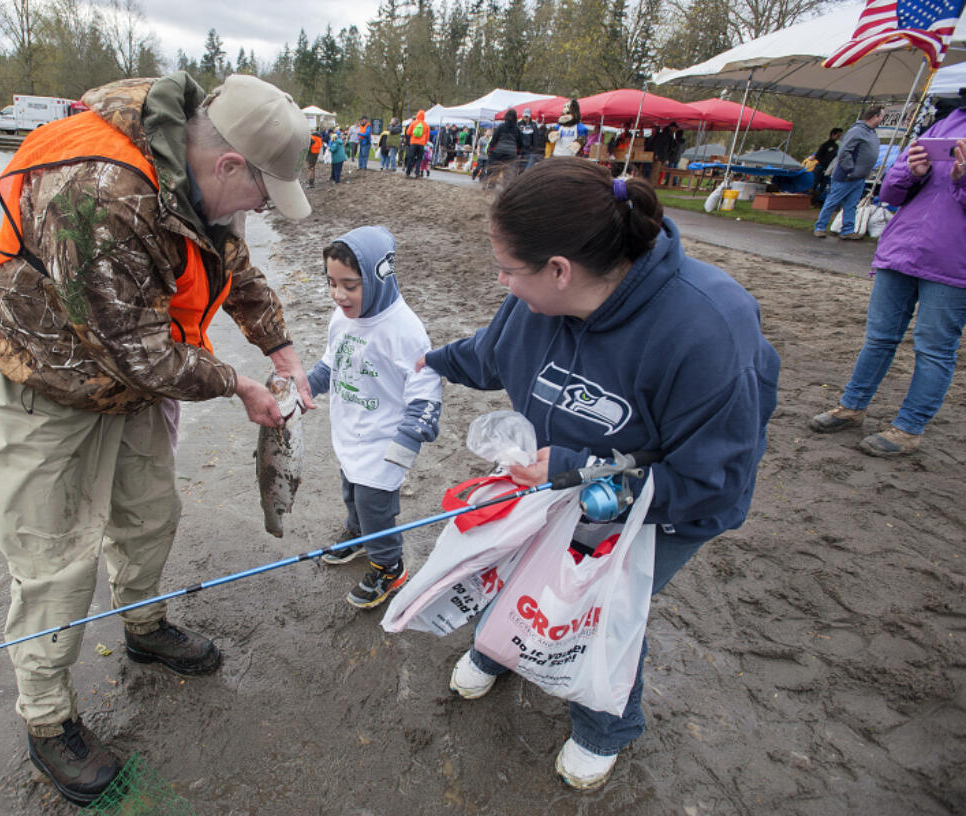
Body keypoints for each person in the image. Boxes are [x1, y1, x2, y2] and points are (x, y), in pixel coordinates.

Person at [0, 71, 316, 806]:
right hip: (46, 377)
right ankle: (48, 720)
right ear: (227, 165)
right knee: (53, 557)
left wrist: (280, 350)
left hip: (132, 375)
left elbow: (230, 263)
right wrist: (240, 385)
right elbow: (138, 349)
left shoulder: (199, 174)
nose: (259, 210)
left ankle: (145, 625)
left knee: (150, 512)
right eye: (260, 194)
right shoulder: (97, 192)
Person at [415, 158, 779, 791]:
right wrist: (424, 361)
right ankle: (502, 643)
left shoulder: (709, 329)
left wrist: (580, 475)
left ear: (561, 270)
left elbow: (708, 483)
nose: (501, 282)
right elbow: (493, 352)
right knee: (513, 559)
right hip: (556, 484)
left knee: (592, 604)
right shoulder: (533, 307)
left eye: (508, 268)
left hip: (660, 509)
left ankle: (603, 726)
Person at [808, 112, 966, 456]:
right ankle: (852, 407)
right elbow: (891, 193)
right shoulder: (950, 119)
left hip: (954, 262)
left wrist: (962, 179)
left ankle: (909, 428)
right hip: (903, 249)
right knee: (879, 337)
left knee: (935, 348)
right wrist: (911, 171)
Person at [306, 226, 443, 608]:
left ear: (378, 275)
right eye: (332, 283)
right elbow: (332, 361)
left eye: (350, 285)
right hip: (351, 433)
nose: (339, 295)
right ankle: (356, 535)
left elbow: (425, 392)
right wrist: (308, 386)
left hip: (386, 442)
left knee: (374, 505)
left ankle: (388, 564)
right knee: (350, 488)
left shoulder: (404, 330)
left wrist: (409, 439)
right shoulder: (341, 317)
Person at [814, 105, 884, 240]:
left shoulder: (871, 132)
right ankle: (820, 227)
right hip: (847, 176)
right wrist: (850, 169)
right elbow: (844, 151)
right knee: (832, 201)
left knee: (851, 204)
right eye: (881, 116)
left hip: (859, 176)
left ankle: (847, 230)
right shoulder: (857, 130)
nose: (882, 119)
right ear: (875, 117)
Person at [487, 109, 522, 185]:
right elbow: (519, 143)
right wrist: (518, 153)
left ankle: (491, 186)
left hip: (498, 151)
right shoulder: (517, 129)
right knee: (508, 173)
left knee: (495, 170)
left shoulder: (501, 127)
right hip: (511, 153)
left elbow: (494, 139)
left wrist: (489, 149)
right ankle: (505, 188)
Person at [810, 127, 844, 206]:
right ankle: (809, 200)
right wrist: (824, 162)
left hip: (828, 168)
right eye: (838, 136)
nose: (838, 138)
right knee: (814, 184)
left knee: (823, 185)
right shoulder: (825, 145)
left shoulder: (836, 146)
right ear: (833, 134)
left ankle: (815, 201)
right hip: (820, 166)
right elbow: (817, 156)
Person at [405, 109, 430, 178]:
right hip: (421, 144)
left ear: (417, 115)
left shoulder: (413, 123)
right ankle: (417, 172)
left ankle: (408, 172)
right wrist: (424, 143)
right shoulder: (426, 125)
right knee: (419, 159)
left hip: (413, 143)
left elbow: (408, 132)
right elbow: (427, 137)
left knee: (411, 157)